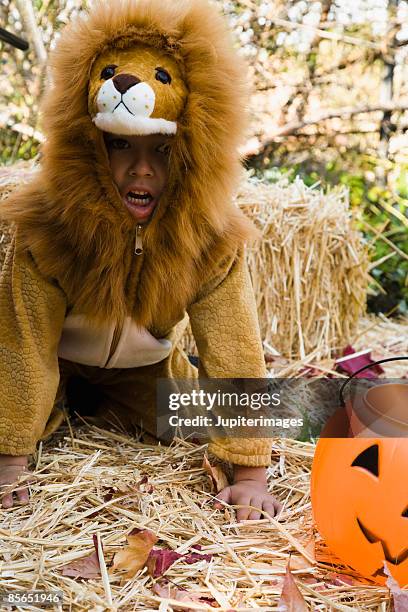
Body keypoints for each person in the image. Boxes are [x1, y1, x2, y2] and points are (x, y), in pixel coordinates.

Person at [0, 0, 281, 520]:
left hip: (146, 371)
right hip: (56, 366)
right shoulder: (46, 223)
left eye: (163, 151)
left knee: (186, 419)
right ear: (87, 145)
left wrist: (250, 471)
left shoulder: (211, 237)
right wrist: (12, 461)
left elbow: (234, 345)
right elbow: (23, 342)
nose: (140, 170)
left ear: (196, 154)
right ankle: (58, 411)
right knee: (30, 413)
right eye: (119, 146)